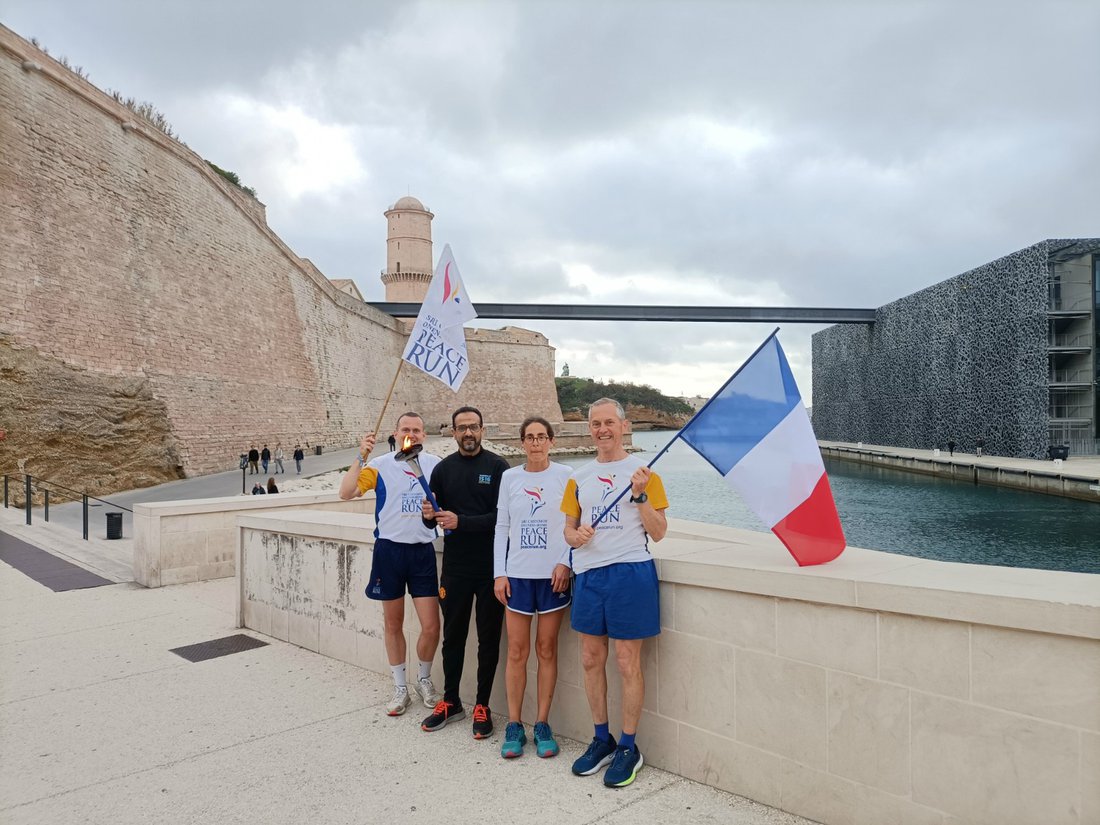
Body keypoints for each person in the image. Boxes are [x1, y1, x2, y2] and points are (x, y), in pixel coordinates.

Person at [562, 398, 668, 788]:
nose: (602, 429)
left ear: (624, 426)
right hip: (589, 575)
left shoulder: (645, 474)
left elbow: (659, 532)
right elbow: (568, 530)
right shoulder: (579, 477)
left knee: (626, 662)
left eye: (609, 422)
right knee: (591, 659)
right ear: (589, 428)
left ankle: (628, 746)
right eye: (595, 424)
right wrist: (576, 536)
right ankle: (601, 739)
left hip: (630, 573)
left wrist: (640, 496)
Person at [339, 412, 443, 717]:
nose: (411, 434)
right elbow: (346, 493)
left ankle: (423, 679)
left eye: (416, 430)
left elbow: (447, 503)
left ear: (424, 435)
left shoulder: (435, 465)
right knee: (393, 624)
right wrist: (361, 455)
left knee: (431, 626)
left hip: (422, 551)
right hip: (389, 551)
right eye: (405, 429)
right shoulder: (380, 465)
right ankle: (400, 687)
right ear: (395, 434)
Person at [419, 406, 509, 738]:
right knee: (452, 637)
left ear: (482, 430)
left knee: (489, 639)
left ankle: (482, 705)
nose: (468, 433)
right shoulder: (442, 470)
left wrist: (463, 522)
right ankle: (451, 701)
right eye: (462, 428)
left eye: (473, 427)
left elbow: (503, 519)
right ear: (453, 432)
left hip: (490, 568)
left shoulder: (498, 467)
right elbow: (431, 521)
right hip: (455, 568)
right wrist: (428, 515)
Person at [493, 416, 572, 759]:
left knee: (546, 649)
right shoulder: (510, 478)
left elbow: (574, 523)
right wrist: (500, 573)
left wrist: (566, 562)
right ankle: (514, 725)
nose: (536, 442)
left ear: (551, 441)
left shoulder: (566, 476)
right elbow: (501, 527)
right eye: (530, 437)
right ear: (522, 442)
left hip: (553, 577)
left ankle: (542, 724)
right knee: (516, 651)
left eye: (542, 436)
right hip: (518, 576)